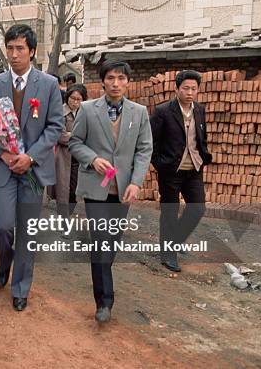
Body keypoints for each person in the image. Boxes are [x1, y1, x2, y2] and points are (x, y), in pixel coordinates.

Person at [0, 24, 65, 312]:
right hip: (4, 168)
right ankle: (5, 259)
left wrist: (30, 156)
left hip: (33, 170)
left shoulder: (49, 85)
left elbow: (55, 127)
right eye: (10, 48)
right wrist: (4, 155)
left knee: (27, 231)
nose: (14, 54)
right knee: (3, 226)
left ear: (32, 51)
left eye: (19, 49)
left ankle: (20, 288)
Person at [69, 59, 152, 323]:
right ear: (102, 81)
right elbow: (74, 142)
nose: (116, 84)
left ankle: (103, 276)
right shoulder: (87, 109)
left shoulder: (139, 113)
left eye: (121, 78)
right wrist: (92, 159)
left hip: (123, 189)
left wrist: (136, 182)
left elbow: (144, 149)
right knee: (102, 239)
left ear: (127, 82)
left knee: (112, 243)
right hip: (96, 187)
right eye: (111, 78)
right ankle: (104, 301)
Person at [150, 70, 212, 272]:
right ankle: (168, 254)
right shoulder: (163, 111)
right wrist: (160, 164)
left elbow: (200, 137)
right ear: (176, 89)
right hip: (171, 170)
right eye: (186, 88)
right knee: (170, 212)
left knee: (198, 207)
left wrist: (203, 157)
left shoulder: (199, 110)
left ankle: (174, 241)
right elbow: (152, 142)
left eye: (194, 88)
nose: (190, 92)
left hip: (193, 168)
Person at [51, 84, 88, 217]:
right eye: (73, 98)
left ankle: (68, 214)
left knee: (74, 191)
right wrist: (79, 137)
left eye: (79, 99)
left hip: (79, 158)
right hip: (63, 156)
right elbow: (59, 135)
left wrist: (72, 135)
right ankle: (64, 220)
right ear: (67, 97)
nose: (75, 102)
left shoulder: (85, 112)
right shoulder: (60, 112)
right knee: (62, 191)